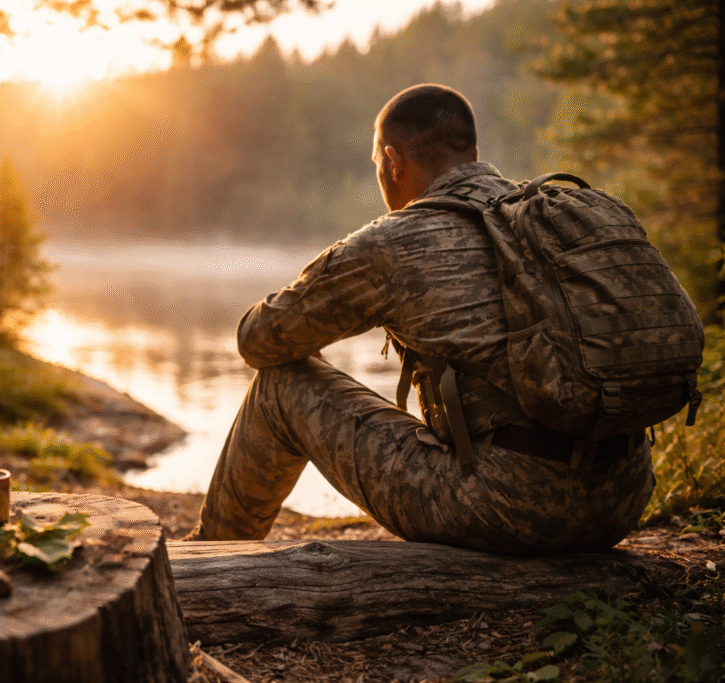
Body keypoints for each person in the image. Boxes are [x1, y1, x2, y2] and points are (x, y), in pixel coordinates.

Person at [185, 84, 654, 555]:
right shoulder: (550, 218)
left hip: (508, 512)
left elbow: (258, 340)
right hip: (622, 503)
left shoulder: (393, 244)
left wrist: (309, 327)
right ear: (470, 152)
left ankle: (207, 556)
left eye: (378, 167)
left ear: (393, 161)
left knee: (279, 387)